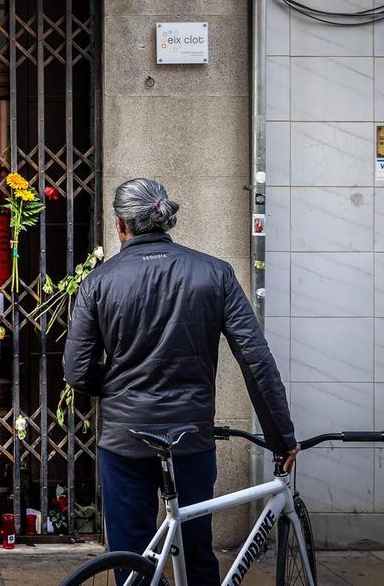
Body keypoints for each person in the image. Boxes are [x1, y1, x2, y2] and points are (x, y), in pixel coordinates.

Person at [63, 178, 297, 586]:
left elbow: (78, 371)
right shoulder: (214, 273)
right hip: (190, 437)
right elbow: (255, 359)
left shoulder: (99, 282)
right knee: (196, 549)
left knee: (131, 556)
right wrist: (281, 436)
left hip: (124, 439)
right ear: (163, 218)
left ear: (120, 224)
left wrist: (119, 388)